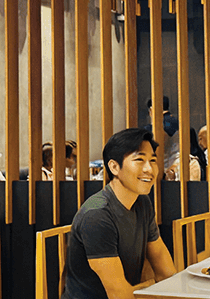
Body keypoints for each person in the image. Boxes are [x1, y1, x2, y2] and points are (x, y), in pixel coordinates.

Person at [62, 128, 177, 299]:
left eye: (153, 160)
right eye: (139, 160)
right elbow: (118, 293)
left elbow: (164, 268)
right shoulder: (97, 215)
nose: (149, 169)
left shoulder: (142, 202)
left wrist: (173, 290)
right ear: (114, 167)